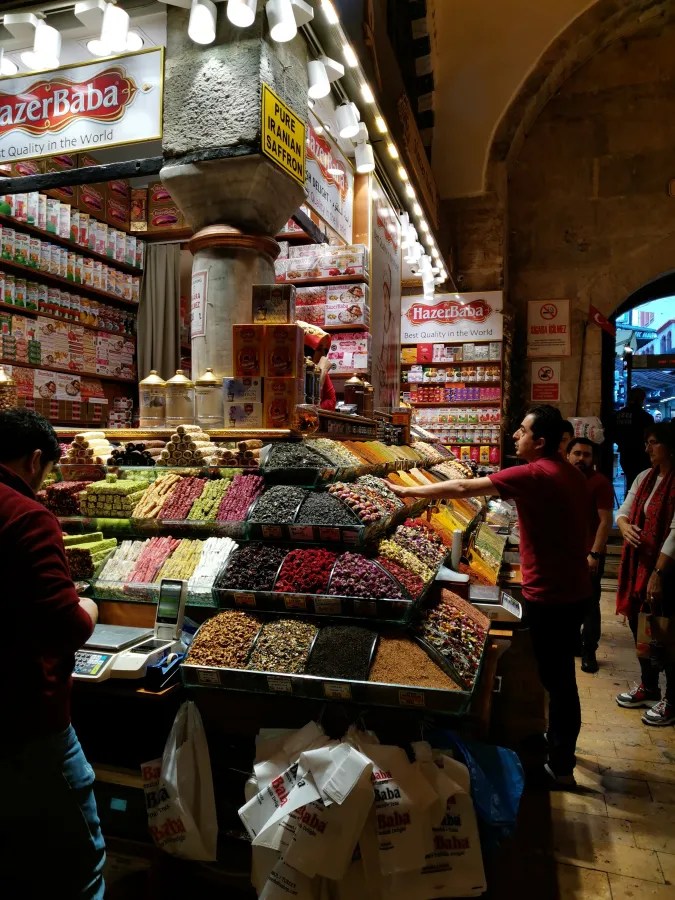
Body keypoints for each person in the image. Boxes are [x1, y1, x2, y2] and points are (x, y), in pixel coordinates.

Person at [391, 405, 592, 786]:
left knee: (560, 679)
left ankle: (560, 768)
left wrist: (406, 489)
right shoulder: (569, 472)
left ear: (540, 441)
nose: (515, 435)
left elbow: (466, 488)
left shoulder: (535, 473)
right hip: (573, 587)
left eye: (522, 430)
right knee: (559, 674)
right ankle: (556, 742)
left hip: (553, 593)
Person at [0, 409, 105, 897]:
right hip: (27, 719)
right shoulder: (27, 516)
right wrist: (88, 605)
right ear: (35, 459)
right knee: (78, 864)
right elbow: (65, 625)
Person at [615, 420, 675, 726]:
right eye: (647, 442)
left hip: (666, 570)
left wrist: (659, 573)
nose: (647, 448)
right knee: (642, 629)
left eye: (654, 442)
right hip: (639, 565)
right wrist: (625, 527)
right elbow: (623, 510)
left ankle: (672, 700)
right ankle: (649, 686)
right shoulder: (645, 477)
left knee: (667, 632)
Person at [567, 437, 614, 673]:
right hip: (567, 553)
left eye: (586, 455)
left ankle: (589, 652)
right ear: (567, 455)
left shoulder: (599, 483)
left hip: (589, 554)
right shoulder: (563, 479)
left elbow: (606, 521)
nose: (581, 458)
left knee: (589, 605)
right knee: (569, 602)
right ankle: (574, 644)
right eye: (577, 453)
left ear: (593, 458)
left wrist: (594, 553)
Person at [613, 387, 654, 490]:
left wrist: (621, 443)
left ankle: (630, 503)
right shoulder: (646, 417)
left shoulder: (617, 416)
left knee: (631, 482)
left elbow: (611, 434)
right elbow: (651, 437)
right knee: (642, 485)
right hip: (642, 456)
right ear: (642, 400)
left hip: (625, 455)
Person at [299, 321, 337, 410]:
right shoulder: (294, 370)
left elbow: (331, 401)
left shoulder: (318, 368)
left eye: (325, 350)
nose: (324, 354)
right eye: (319, 349)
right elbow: (303, 405)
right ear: (306, 349)